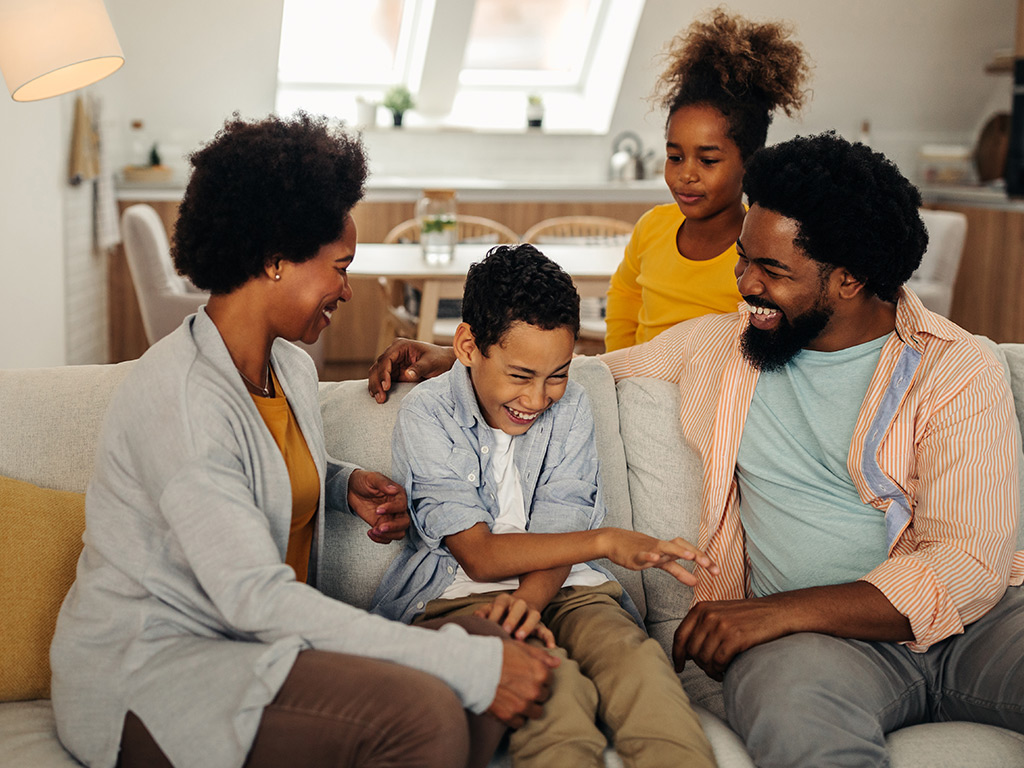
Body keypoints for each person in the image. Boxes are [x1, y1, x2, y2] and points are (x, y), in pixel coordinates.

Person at [364, 132, 1024, 767]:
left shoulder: (959, 369)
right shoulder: (719, 346)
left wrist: (773, 612)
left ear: (849, 281)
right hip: (817, 650)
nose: (744, 282)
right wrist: (454, 356)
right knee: (795, 714)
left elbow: (967, 564)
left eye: (771, 270)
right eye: (744, 258)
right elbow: (594, 370)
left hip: (982, 628)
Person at [49, 113, 557, 768]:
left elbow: (251, 468)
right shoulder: (179, 398)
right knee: (430, 711)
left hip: (256, 648)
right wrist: (469, 667)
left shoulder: (287, 363)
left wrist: (342, 485)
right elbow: (254, 595)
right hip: (153, 674)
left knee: (487, 637)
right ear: (274, 260)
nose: (346, 291)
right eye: (339, 268)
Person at [371, 244, 718, 768]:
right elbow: (479, 556)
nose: (538, 399)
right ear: (468, 345)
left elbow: (562, 521)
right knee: (555, 692)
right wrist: (605, 542)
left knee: (642, 669)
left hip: (569, 585)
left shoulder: (573, 406)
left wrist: (532, 600)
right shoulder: (428, 413)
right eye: (520, 376)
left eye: (556, 374)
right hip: (462, 597)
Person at [604, 7, 810, 352]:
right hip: (640, 388)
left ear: (750, 162)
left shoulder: (762, 248)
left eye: (708, 160)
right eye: (675, 157)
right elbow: (624, 296)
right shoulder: (651, 227)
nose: (686, 174)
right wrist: (618, 365)